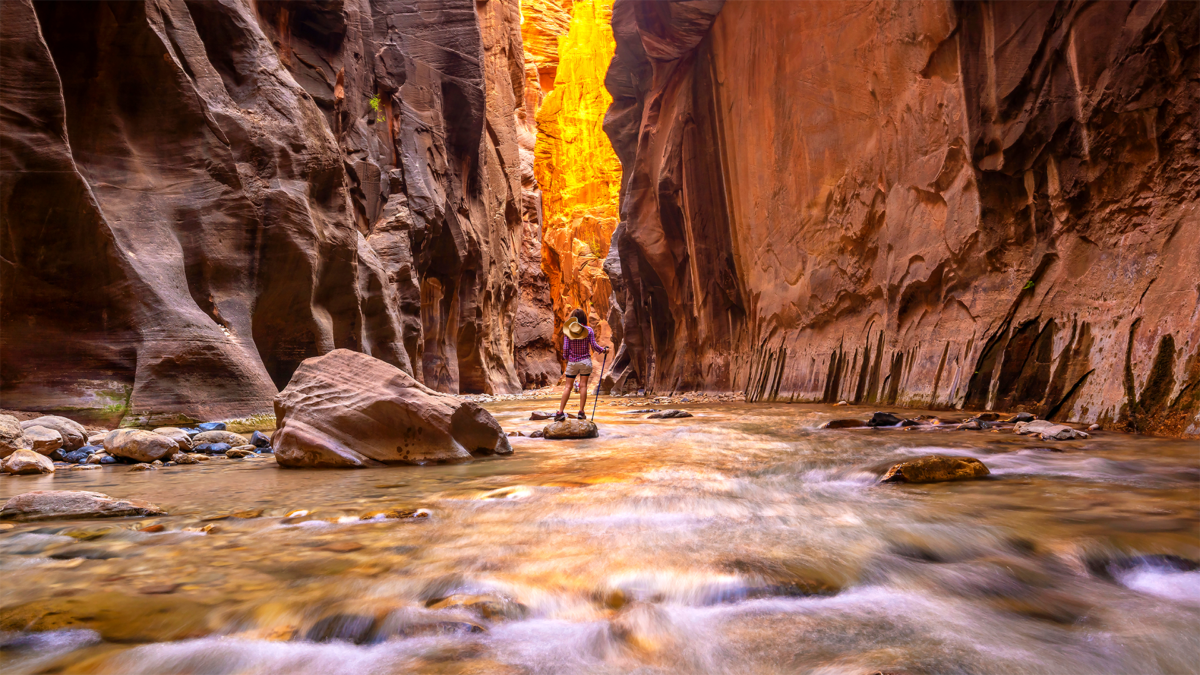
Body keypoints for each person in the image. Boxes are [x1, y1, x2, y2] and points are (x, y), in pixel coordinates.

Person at [555, 309, 608, 421]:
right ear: (584, 318)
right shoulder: (588, 330)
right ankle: (581, 412)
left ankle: (560, 412)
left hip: (573, 362)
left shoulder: (568, 331)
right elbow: (594, 346)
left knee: (568, 387)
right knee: (583, 386)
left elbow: (565, 349)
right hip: (585, 361)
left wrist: (568, 358)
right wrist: (603, 350)